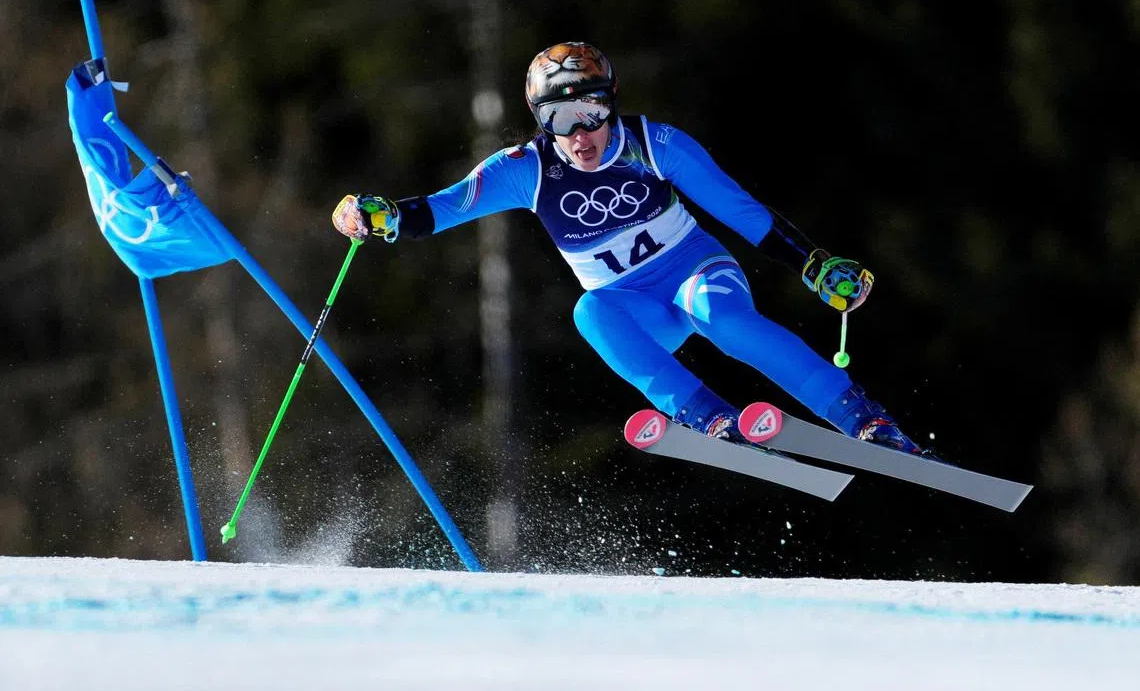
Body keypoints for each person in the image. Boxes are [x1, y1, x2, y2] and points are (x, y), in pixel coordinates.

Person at [331, 41, 928, 455]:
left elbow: (740, 210)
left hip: (697, 273)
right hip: (634, 308)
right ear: (540, 119)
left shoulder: (654, 143)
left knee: (717, 316)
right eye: (560, 117)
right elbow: (436, 211)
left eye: (591, 110)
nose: (580, 133)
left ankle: (862, 418)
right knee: (590, 312)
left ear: (610, 102)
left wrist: (814, 265)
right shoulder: (523, 170)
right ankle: (708, 416)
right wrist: (372, 216)